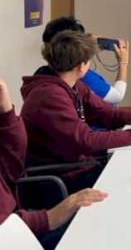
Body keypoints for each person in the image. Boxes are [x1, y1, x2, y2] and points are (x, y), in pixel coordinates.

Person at [21, 31, 131, 193]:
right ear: (82, 66)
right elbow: (87, 140)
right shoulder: (50, 96)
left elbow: (110, 115)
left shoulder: (71, 85)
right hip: (61, 178)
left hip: (78, 165)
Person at [0, 79, 107, 249]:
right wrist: (48, 218)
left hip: (20, 222)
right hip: (19, 232)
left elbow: (12, 171)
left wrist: (6, 114)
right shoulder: (49, 93)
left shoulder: (69, 86)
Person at [42, 17, 129, 105]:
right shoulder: (83, 78)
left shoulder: (43, 72)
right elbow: (117, 96)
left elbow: (70, 58)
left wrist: (87, 49)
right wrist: (123, 63)